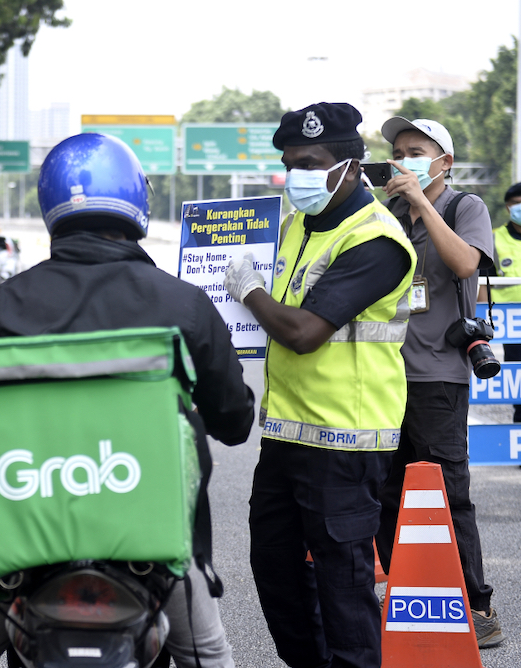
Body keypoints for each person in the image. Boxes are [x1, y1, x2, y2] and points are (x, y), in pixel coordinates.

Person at [0, 133, 256, 668]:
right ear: (136, 201)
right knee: (210, 653)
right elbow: (235, 421)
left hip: (27, 532)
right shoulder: (184, 302)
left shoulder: (6, 302)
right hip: (151, 545)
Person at [225, 102, 416, 668]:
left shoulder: (377, 239)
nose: (295, 176)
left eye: (309, 163)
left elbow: (305, 332)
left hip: (347, 442)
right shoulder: (292, 229)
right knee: (275, 572)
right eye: (289, 164)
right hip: (286, 436)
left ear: (351, 167)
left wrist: (248, 292)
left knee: (344, 591)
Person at [374, 117, 503, 648]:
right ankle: (403, 593)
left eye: (416, 151)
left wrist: (422, 202)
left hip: (437, 379)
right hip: (379, 376)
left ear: (443, 162)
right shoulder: (383, 216)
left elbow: (465, 263)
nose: (403, 159)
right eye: (397, 152)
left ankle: (477, 605)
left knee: (448, 495)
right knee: (383, 492)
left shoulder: (462, 207)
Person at [483, 181, 521, 422]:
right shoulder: (492, 240)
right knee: (520, 382)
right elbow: (482, 285)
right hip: (514, 326)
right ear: (508, 207)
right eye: (518, 204)